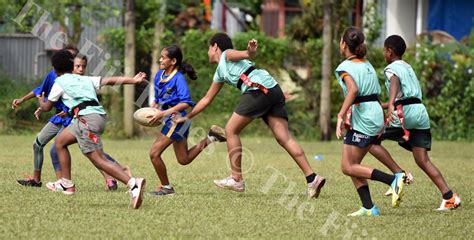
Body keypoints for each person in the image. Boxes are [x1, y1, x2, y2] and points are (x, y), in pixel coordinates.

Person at [174, 32, 325, 198]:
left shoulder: (226, 54)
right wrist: (186, 117)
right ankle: (312, 178)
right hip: (273, 89)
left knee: (230, 130)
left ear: (215, 47)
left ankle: (236, 178)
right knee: (284, 138)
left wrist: (249, 51)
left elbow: (246, 54)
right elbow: (206, 99)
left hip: (259, 89)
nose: (208, 53)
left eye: (209, 48)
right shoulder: (219, 73)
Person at [37, 49, 146, 209]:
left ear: (54, 69)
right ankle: (67, 184)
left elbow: (46, 107)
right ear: (71, 66)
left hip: (86, 120)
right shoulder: (85, 79)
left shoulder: (59, 82)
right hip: (96, 116)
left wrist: (41, 100)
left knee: (98, 159)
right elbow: (110, 80)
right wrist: (133, 80)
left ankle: (133, 184)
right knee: (60, 142)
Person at [368, 35, 461, 210]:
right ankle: (449, 197)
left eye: (384, 50)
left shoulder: (391, 68)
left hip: (405, 113)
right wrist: (384, 104)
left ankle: (399, 174)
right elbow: (407, 96)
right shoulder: (408, 67)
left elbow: (394, 82)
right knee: (422, 159)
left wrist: (391, 106)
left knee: (370, 139)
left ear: (389, 51)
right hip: (420, 112)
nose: (383, 53)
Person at [13, 46, 125, 191]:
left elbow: (81, 101)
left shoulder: (80, 79)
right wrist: (23, 100)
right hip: (58, 118)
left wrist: (62, 110)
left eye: (79, 64)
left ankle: (109, 177)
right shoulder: (53, 75)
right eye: (74, 62)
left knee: (84, 150)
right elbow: (40, 90)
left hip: (75, 119)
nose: (76, 66)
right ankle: (38, 180)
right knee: (39, 144)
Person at [335, 27, 406, 216]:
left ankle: (393, 179)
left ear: (343, 44)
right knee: (349, 166)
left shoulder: (344, 67)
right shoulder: (366, 64)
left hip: (365, 117)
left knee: (349, 166)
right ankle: (368, 207)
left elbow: (353, 91)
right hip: (370, 113)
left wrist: (340, 115)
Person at [147, 45, 226, 196]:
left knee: (154, 153)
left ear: (173, 61)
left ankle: (166, 187)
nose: (160, 59)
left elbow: (186, 103)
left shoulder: (178, 79)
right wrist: (153, 108)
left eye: (163, 57)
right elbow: (158, 98)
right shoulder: (159, 75)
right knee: (183, 159)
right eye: (161, 57)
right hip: (171, 119)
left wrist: (163, 113)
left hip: (177, 121)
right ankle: (211, 138)